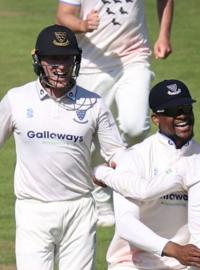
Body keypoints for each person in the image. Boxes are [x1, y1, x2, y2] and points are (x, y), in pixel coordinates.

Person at [99, 81, 200, 269]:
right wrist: (174, 250)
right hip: (134, 263)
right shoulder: (135, 157)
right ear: (155, 118)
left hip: (187, 264)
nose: (182, 115)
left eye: (187, 108)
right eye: (172, 111)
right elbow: (126, 225)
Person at [0, 24, 125, 270]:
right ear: (38, 59)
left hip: (79, 208)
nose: (61, 66)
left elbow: (117, 154)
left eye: (67, 58)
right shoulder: (17, 99)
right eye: (53, 59)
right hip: (32, 209)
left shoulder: (93, 103)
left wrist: (122, 173)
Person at [56, 0, 174, 226]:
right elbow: (62, 16)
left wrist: (164, 35)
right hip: (91, 65)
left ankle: (129, 182)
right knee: (87, 139)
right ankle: (101, 195)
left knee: (135, 126)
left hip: (133, 58)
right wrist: (82, 24)